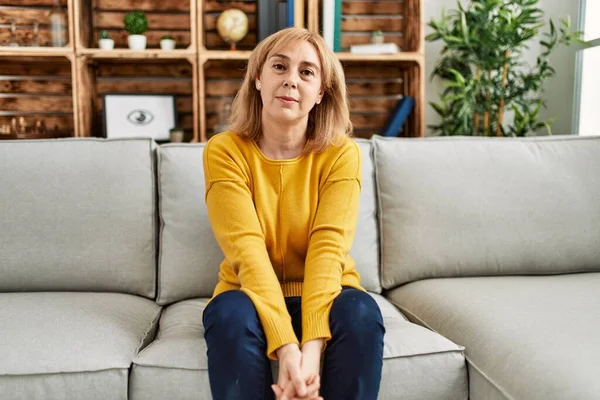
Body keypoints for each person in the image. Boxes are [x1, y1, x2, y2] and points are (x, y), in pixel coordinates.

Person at [202, 27, 385, 400]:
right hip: (248, 294)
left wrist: (311, 349)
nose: (290, 81)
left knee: (362, 313)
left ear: (320, 93)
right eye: (279, 66)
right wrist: (287, 347)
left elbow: (328, 248)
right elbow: (246, 251)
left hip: (328, 292)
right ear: (258, 78)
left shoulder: (340, 154)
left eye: (306, 72)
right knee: (228, 316)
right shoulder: (224, 150)